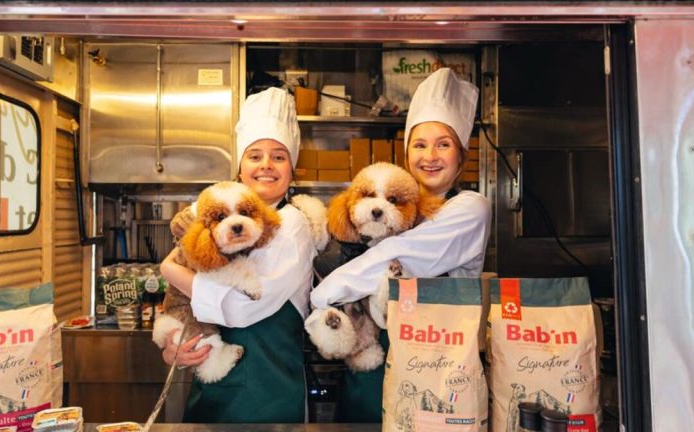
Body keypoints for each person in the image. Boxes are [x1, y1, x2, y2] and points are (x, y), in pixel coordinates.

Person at [310, 68, 492, 422]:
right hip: (370, 367)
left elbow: (394, 257)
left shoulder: (470, 207)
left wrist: (323, 295)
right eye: (419, 145)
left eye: (444, 144)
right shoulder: (395, 211)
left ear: (460, 155)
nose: (430, 156)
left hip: (437, 368)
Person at [159, 87, 318, 423]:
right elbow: (179, 303)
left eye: (279, 156)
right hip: (212, 387)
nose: (266, 166)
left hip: (269, 396)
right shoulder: (213, 216)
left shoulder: (292, 224)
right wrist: (173, 346)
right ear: (241, 166)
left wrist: (170, 270)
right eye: (255, 155)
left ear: (292, 168)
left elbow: (240, 308)